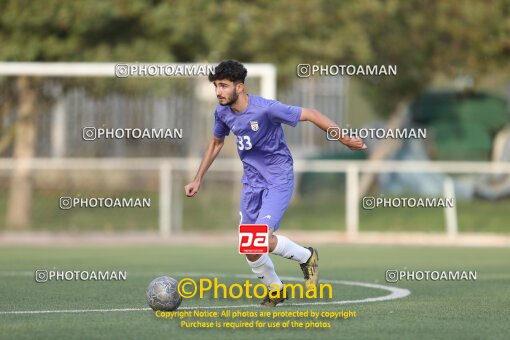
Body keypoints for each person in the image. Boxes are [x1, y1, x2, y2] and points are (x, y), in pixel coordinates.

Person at [184, 60, 366, 307]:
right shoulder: (222, 112)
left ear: (240, 87)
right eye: (216, 85)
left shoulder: (267, 109)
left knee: (258, 239)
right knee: (249, 247)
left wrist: (343, 138)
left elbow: (311, 114)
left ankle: (307, 256)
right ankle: (276, 290)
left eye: (224, 86)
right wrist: (198, 178)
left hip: (278, 179)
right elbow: (217, 142)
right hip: (251, 183)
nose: (218, 91)